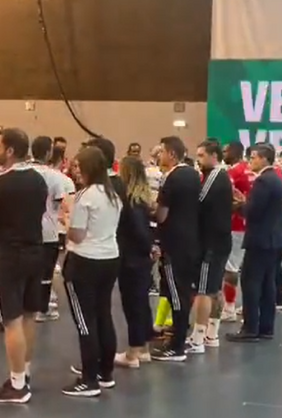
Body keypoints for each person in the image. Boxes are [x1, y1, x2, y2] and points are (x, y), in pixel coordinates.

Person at [0, 128, 47, 404]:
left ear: (10, 150)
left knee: (11, 320)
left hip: (10, 256)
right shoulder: (39, 180)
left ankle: (17, 385)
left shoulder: (1, 182)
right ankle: (23, 374)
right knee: (28, 316)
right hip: (35, 252)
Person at [60, 146, 122, 397]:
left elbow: (77, 233)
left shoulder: (85, 196)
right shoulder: (113, 194)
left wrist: (64, 218)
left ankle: (88, 380)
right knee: (103, 314)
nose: (74, 171)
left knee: (85, 321)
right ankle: (104, 373)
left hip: (84, 260)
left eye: (77, 166)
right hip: (109, 258)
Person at [225, 143, 282, 343]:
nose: (250, 161)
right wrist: (246, 202)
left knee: (251, 283)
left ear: (264, 159)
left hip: (260, 239)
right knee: (268, 284)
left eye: (253, 157)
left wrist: (238, 206)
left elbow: (253, 211)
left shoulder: (263, 181)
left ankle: (250, 327)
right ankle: (266, 327)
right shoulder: (276, 179)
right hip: (273, 239)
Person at [150, 136, 201, 362]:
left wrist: (149, 208)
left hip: (174, 243)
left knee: (175, 292)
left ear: (171, 154)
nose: (158, 157)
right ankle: (179, 334)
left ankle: (177, 345)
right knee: (182, 290)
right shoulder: (193, 174)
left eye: (161, 152)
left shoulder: (172, 178)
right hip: (191, 239)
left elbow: (162, 213)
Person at [187, 140, 233, 352]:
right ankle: (212, 334)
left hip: (212, 243)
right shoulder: (221, 176)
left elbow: (198, 201)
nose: (198, 160)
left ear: (214, 156)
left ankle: (197, 338)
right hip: (221, 240)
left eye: (201, 155)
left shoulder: (215, 175)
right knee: (215, 288)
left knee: (204, 291)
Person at [113, 156, 156, 368]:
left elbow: (139, 232)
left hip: (131, 258)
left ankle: (133, 352)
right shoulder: (143, 199)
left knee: (133, 305)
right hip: (139, 258)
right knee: (142, 303)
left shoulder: (130, 201)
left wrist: (148, 247)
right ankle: (144, 347)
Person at [29, 136, 75, 322]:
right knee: (45, 273)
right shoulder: (56, 177)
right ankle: (41, 308)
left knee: (29, 271)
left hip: (26, 231)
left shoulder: (23, 173)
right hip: (48, 231)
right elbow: (62, 205)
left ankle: (28, 306)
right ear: (49, 152)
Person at [221, 141, 252, 320]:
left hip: (236, 225)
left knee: (230, 267)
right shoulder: (248, 170)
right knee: (244, 267)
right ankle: (246, 305)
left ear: (234, 152)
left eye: (226, 151)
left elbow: (228, 198)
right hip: (247, 224)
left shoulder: (234, 172)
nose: (223, 154)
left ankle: (229, 308)